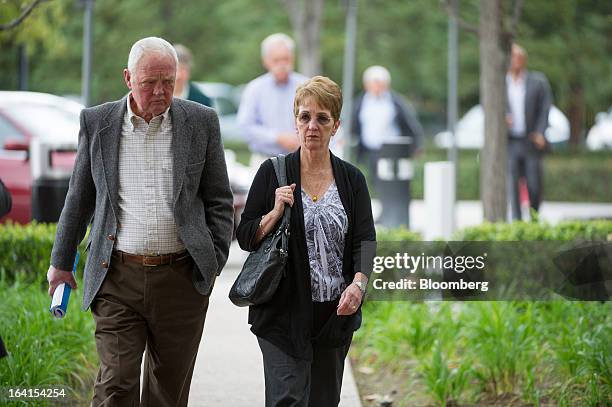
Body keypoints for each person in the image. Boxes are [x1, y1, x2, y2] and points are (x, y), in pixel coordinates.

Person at [46, 37, 233, 406]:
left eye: (169, 81)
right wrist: (60, 262)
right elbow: (79, 198)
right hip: (117, 277)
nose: (161, 91)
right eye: (150, 82)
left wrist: (212, 261)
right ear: (128, 78)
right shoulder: (97, 122)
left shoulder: (201, 121)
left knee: (167, 393)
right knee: (116, 384)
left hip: (182, 279)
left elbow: (219, 200)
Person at [236, 76, 376, 407]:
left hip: (333, 315)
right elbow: (245, 236)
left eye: (322, 118)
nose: (312, 126)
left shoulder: (351, 179)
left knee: (323, 401)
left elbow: (365, 238)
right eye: (304, 117)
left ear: (335, 125)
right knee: (287, 400)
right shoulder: (273, 172)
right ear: (295, 121)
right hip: (282, 313)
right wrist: (274, 212)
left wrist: (358, 284)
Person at [237, 33, 308, 167]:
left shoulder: (306, 86)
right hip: (264, 160)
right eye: (276, 60)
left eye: (285, 59)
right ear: (265, 61)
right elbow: (245, 127)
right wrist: (277, 138)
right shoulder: (255, 89)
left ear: (293, 58)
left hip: (301, 160)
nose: (282, 64)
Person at [352, 65, 424, 185]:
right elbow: (352, 123)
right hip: (370, 150)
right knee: (373, 181)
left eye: (379, 83)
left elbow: (410, 124)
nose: (377, 87)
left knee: (393, 182)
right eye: (373, 83)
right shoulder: (360, 102)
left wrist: (417, 145)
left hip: (393, 150)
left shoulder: (396, 102)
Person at [506, 43, 552, 221]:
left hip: (531, 140)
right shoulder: (501, 82)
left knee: (534, 183)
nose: (514, 61)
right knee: (513, 183)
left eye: (517, 57)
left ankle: (533, 218)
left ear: (523, 60)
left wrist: (541, 132)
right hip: (511, 140)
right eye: (512, 57)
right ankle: (517, 221)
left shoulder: (537, 81)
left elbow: (545, 108)